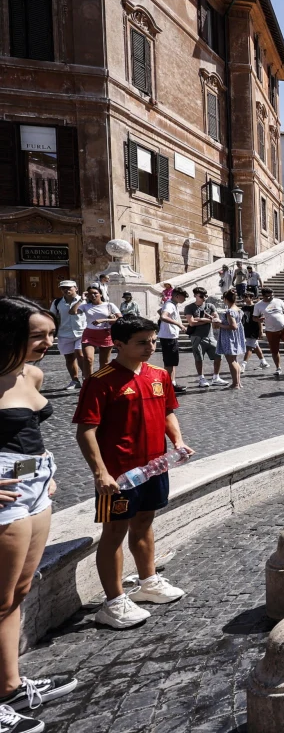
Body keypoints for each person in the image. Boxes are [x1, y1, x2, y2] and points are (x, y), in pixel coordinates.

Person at [74, 317, 191, 630]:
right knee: (114, 533)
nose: (150, 348)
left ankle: (148, 581)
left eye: (152, 341)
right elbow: (86, 430)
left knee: (145, 521)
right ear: (119, 344)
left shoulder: (159, 375)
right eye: (142, 342)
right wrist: (100, 473)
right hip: (118, 474)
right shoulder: (101, 380)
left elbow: (167, 411)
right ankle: (113, 602)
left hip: (154, 467)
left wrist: (177, 441)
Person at [0, 298, 78, 725]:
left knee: (17, 593)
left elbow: (25, 430)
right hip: (4, 491)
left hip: (34, 484)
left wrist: (43, 465)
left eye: (51, 333)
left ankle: (9, 687)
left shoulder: (31, 372)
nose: (50, 342)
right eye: (38, 336)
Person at [183, 288, 224, 389]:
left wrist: (200, 319)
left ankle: (216, 377)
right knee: (199, 358)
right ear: (195, 296)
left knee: (219, 355)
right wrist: (208, 320)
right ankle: (201, 378)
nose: (204, 298)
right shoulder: (189, 307)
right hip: (197, 337)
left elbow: (216, 319)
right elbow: (191, 322)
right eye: (201, 296)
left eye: (205, 296)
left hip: (210, 336)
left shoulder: (210, 306)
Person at [253, 288, 284, 375]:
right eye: (268, 296)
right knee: (274, 350)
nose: (270, 298)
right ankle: (278, 368)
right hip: (271, 331)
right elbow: (254, 318)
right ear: (263, 296)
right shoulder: (258, 305)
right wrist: (259, 320)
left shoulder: (278, 301)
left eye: (272, 295)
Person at [79, 285, 121, 381]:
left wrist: (104, 320)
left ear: (100, 294)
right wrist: (81, 299)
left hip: (105, 333)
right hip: (89, 334)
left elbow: (120, 318)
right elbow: (72, 312)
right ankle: (88, 381)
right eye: (90, 294)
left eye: (95, 293)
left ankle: (101, 382)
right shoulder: (85, 306)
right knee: (88, 359)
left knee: (104, 362)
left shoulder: (109, 305)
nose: (93, 295)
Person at [50, 280, 86, 390]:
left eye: (69, 288)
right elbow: (52, 316)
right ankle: (75, 380)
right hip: (64, 333)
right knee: (69, 358)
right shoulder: (57, 302)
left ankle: (86, 378)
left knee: (80, 355)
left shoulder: (85, 300)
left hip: (82, 332)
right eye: (63, 288)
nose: (66, 290)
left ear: (76, 288)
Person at [157, 288, 187, 391]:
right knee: (169, 362)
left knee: (172, 362)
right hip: (168, 337)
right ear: (177, 296)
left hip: (170, 336)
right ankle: (168, 386)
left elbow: (159, 311)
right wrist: (178, 324)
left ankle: (171, 383)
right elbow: (163, 316)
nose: (185, 299)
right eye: (184, 297)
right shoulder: (170, 305)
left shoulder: (171, 304)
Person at [215, 290, 246, 389]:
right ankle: (238, 383)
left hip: (229, 337)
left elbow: (233, 326)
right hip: (236, 337)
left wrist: (219, 324)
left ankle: (235, 383)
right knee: (234, 360)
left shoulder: (230, 311)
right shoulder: (238, 309)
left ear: (225, 299)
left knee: (231, 361)